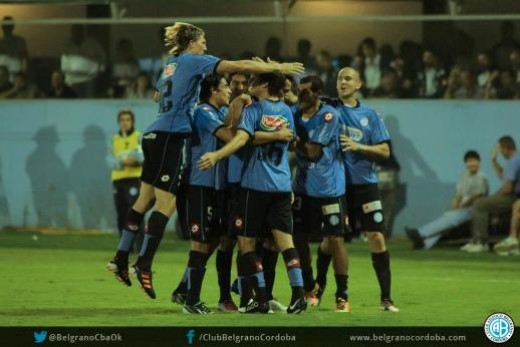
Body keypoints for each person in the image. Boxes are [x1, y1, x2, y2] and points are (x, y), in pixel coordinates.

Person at [106, 22, 304, 300]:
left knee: (144, 200)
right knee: (168, 204)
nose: (205, 46)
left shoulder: (170, 64)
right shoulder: (195, 61)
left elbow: (156, 94)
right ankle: (144, 263)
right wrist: (279, 69)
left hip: (154, 132)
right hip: (170, 135)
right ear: (191, 44)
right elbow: (240, 64)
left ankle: (120, 257)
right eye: (202, 41)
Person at [197, 72, 307, 314]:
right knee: (285, 242)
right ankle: (299, 295)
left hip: (254, 186)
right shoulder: (286, 111)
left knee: (246, 243)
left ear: (264, 85)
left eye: (253, 82)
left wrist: (216, 155)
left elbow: (241, 139)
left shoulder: (255, 110)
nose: (248, 86)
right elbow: (284, 138)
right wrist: (275, 135)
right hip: (280, 185)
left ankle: (258, 298)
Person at [316, 67, 399, 312]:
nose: (343, 82)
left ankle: (386, 298)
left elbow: (385, 151)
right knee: (332, 240)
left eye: (348, 78)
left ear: (359, 84)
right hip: (336, 185)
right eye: (340, 78)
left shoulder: (370, 115)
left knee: (376, 236)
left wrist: (358, 146)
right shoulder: (329, 110)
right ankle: (320, 286)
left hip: (365, 184)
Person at [291, 75, 350, 312]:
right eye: (299, 91)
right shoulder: (293, 114)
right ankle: (309, 285)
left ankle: (342, 294)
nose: (301, 95)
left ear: (317, 94)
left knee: (335, 239)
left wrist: (292, 141)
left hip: (329, 188)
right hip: (303, 188)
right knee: (298, 238)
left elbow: (314, 151)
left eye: (306, 92)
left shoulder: (329, 116)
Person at [406, 151, 488, 250]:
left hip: (475, 209)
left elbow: (474, 197)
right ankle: (425, 243)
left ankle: (420, 233)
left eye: (474, 161)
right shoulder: (464, 175)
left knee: (451, 218)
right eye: (469, 161)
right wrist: (453, 208)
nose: (472, 163)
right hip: (463, 208)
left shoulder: (481, 176)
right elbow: (458, 195)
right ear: (466, 164)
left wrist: (459, 208)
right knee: (448, 218)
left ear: (479, 162)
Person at [462, 136, 520, 252]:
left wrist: (494, 197)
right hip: (514, 195)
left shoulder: (514, 160)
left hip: (514, 196)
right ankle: (476, 240)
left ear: (504, 148)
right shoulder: (515, 159)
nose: (499, 152)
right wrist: (494, 161)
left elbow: (508, 188)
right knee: (483, 203)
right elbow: (504, 177)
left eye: (499, 149)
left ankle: (481, 242)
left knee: (480, 203)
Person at [108, 109, 145, 252]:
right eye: (122, 120)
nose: (125, 123)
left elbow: (141, 158)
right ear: (119, 122)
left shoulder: (138, 137)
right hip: (117, 180)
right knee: (121, 214)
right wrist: (125, 161)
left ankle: (141, 247)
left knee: (136, 213)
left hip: (133, 179)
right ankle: (125, 248)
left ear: (132, 122)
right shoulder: (114, 139)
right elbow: (110, 160)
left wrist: (133, 160)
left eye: (127, 120)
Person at [61, 25, 106, 97]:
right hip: (73, 80)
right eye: (75, 31)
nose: (77, 33)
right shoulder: (67, 45)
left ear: (83, 32)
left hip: (89, 80)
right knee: (73, 101)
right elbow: (63, 62)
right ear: (72, 33)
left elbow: (102, 58)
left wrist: (101, 70)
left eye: (79, 31)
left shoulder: (93, 44)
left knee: (89, 101)